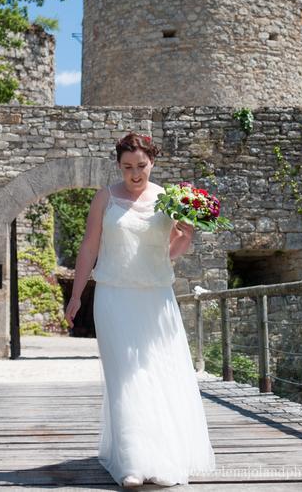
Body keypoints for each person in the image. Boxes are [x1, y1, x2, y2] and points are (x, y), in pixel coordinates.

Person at [65, 133, 216, 488]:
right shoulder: (105, 198)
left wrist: (187, 233)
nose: (135, 174)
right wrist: (76, 296)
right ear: (119, 165)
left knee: (157, 376)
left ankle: (161, 459)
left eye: (141, 167)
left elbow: (169, 253)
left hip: (155, 299)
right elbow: (89, 248)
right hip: (114, 297)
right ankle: (132, 462)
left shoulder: (170, 199)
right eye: (128, 167)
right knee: (125, 379)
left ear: (152, 163)